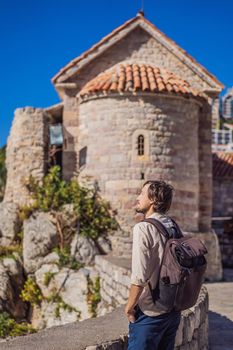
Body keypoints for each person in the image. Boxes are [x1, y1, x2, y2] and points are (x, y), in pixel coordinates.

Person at [125, 180, 181, 350]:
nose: (137, 197)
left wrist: (129, 307)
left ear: (153, 200)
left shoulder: (143, 228)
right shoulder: (172, 225)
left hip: (151, 312)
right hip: (172, 310)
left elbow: (139, 276)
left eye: (142, 193)